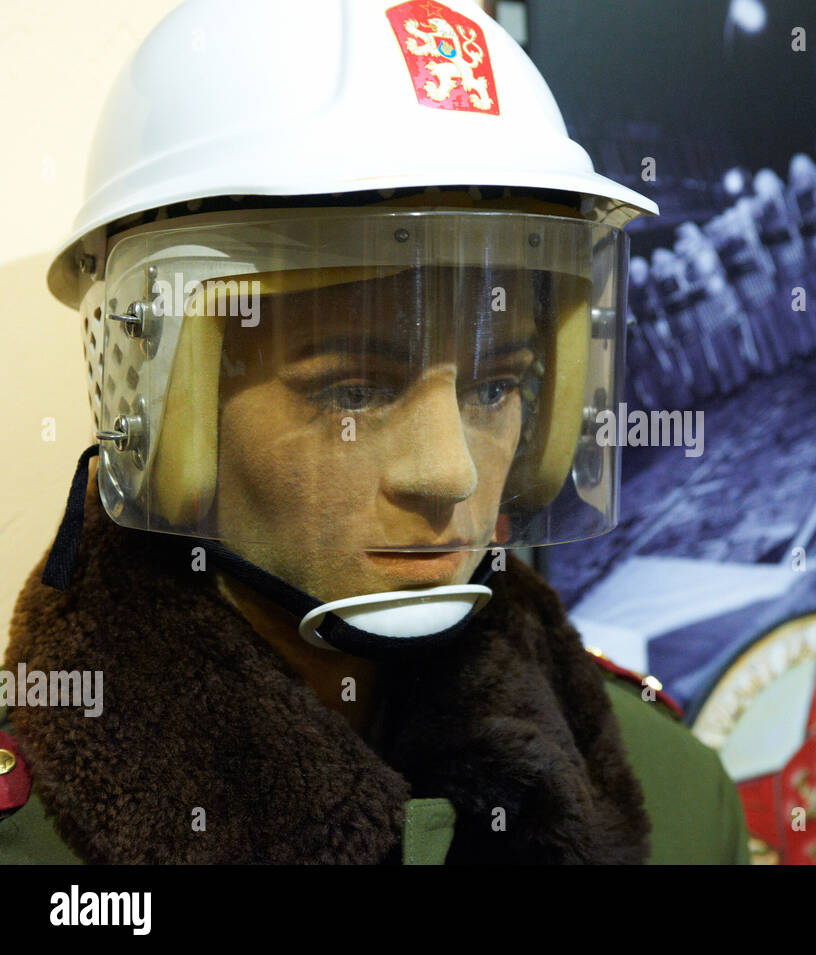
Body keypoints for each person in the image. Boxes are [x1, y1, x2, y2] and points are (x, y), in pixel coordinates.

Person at [0, 0, 749, 865]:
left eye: (498, 384)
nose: (451, 473)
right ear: (157, 410)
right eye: (350, 388)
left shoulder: (675, 795)